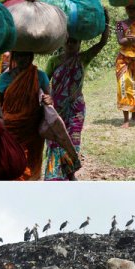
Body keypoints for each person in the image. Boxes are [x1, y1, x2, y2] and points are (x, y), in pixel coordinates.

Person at [43, 10, 110, 180]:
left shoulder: (83, 58)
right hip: (56, 109)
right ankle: (54, 174)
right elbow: (44, 83)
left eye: (75, 42)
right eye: (68, 41)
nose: (71, 45)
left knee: (72, 141)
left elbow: (102, 43)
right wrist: (47, 96)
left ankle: (70, 173)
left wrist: (106, 20)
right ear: (63, 42)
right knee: (56, 140)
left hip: (75, 108)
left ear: (80, 43)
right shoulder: (54, 61)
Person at [0, 51, 52, 180]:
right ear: (14, 57)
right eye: (20, 55)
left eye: (27, 55)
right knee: (11, 163)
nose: (23, 59)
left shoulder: (40, 76)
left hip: (31, 129)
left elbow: (49, 98)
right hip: (10, 129)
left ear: (32, 56)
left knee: (29, 166)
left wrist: (48, 100)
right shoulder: (6, 78)